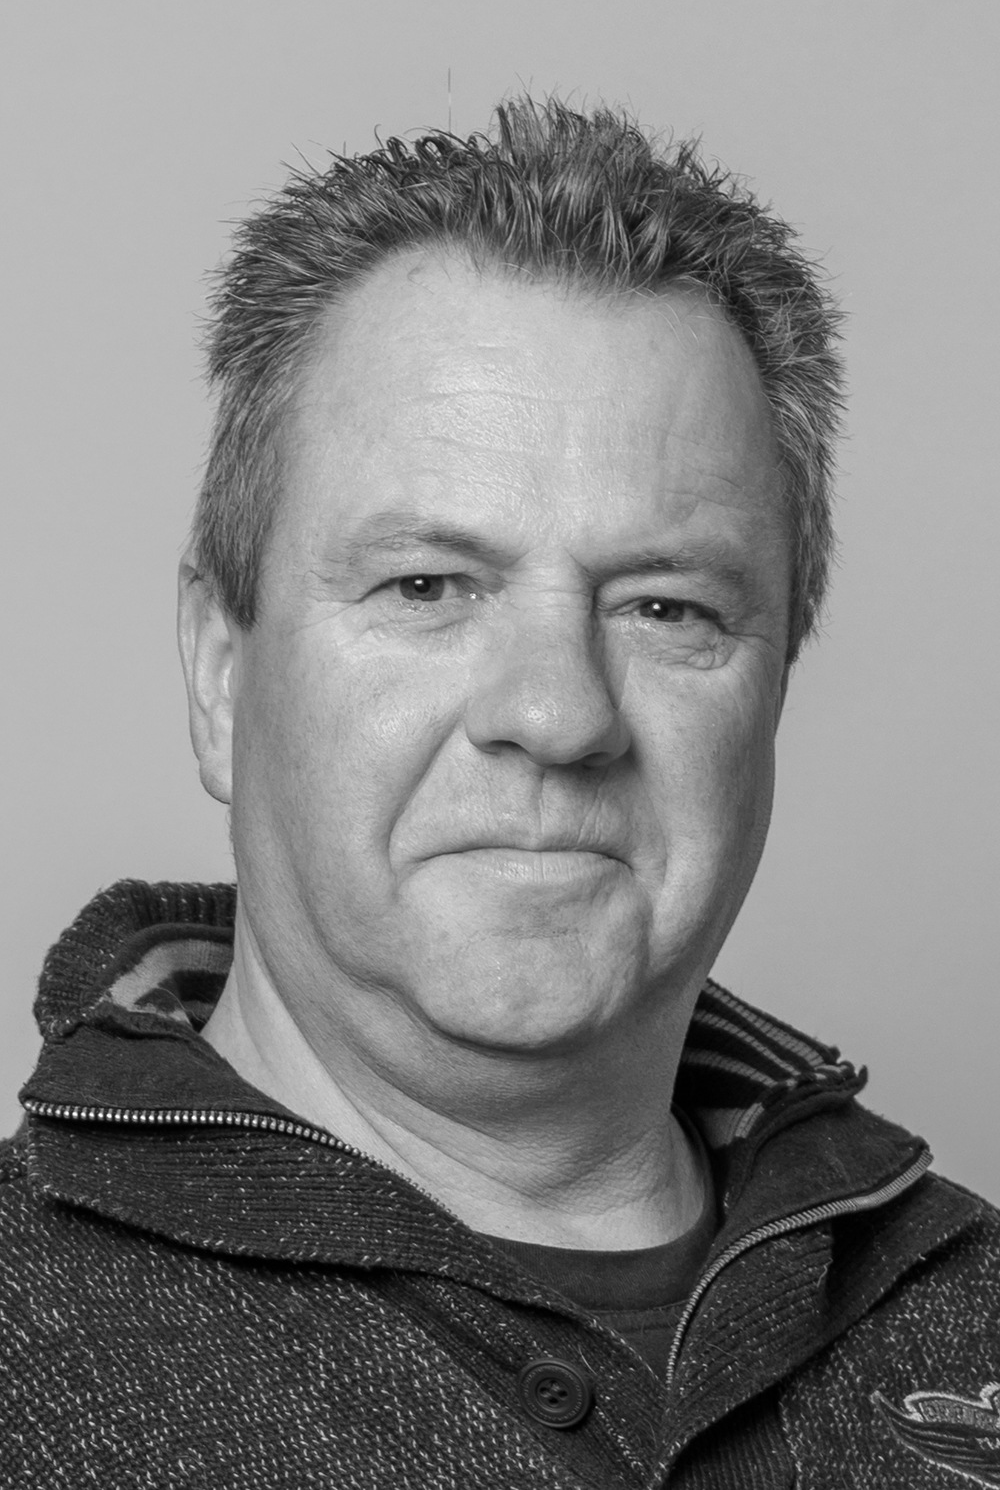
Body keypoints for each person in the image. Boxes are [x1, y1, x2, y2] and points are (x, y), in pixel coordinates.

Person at [2, 98, 997, 1490]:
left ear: (775, 684)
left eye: (666, 606)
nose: (557, 714)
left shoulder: (969, 1315)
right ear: (222, 671)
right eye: (428, 586)